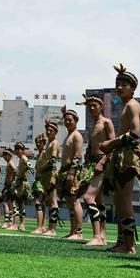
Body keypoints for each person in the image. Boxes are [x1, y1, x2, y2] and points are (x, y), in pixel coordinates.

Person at [100, 64, 140, 254]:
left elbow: (135, 133)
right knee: (120, 200)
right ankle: (121, 242)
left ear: (133, 88)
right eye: (117, 84)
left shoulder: (133, 105)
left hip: (128, 155)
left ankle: (128, 245)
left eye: (124, 84)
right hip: (121, 154)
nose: (119, 87)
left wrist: (112, 143)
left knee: (125, 200)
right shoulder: (126, 105)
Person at [79, 93, 114, 247]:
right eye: (89, 105)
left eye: (94, 105)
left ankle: (96, 235)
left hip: (102, 162)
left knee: (88, 198)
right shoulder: (92, 125)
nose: (92, 107)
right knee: (99, 202)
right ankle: (103, 236)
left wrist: (103, 161)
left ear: (101, 106)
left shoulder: (106, 122)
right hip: (92, 163)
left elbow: (113, 145)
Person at [58, 106, 87, 241]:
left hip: (72, 170)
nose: (68, 122)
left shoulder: (77, 135)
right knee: (69, 201)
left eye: (70, 120)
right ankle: (72, 230)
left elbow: (78, 155)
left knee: (74, 200)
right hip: (64, 170)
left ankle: (79, 232)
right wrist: (65, 113)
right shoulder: (69, 135)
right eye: (66, 120)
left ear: (76, 121)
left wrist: (71, 172)